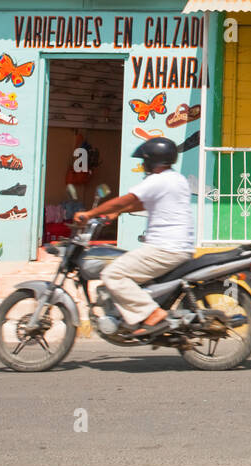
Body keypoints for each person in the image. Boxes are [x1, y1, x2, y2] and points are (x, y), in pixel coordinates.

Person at [74, 137, 194, 338]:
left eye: (144, 160)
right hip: (177, 247)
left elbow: (126, 200)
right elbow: (140, 204)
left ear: (152, 160)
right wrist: (118, 212)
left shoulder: (157, 180)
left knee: (113, 274)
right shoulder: (175, 179)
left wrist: (89, 215)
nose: (142, 164)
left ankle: (152, 313)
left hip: (164, 248)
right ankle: (136, 314)